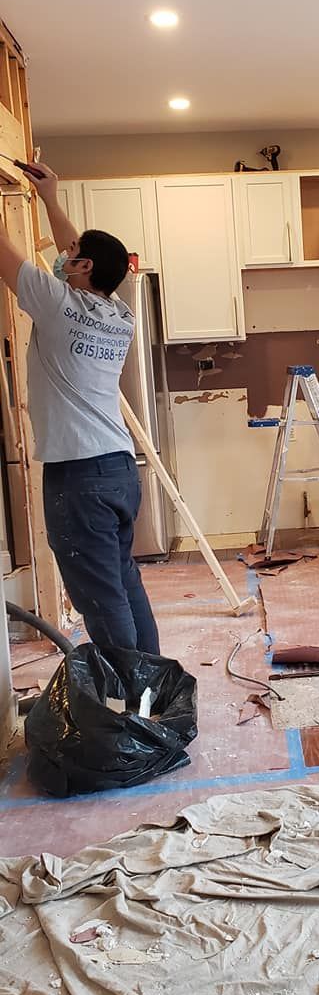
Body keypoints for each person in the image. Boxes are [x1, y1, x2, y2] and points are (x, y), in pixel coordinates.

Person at [0, 161, 160, 654]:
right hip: (116, 467)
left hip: (79, 476)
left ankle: (129, 707)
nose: (64, 256)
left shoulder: (57, 304)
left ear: (83, 267)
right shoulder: (118, 312)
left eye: (73, 256)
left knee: (98, 595)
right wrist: (50, 197)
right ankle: (152, 686)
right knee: (122, 581)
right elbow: (79, 252)